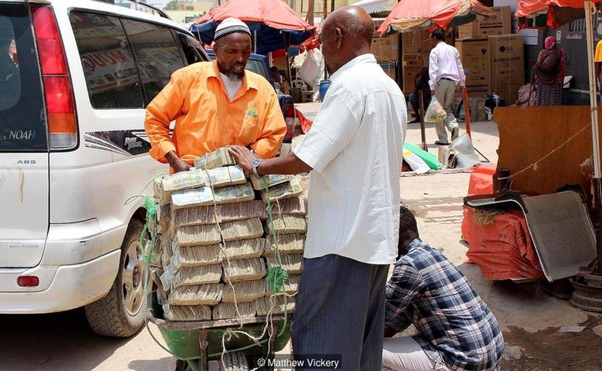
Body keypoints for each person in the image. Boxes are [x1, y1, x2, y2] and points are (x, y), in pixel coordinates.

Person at [229, 6, 408, 370]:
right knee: (360, 345)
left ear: (338, 38)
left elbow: (307, 157)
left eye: (323, 42)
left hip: (341, 243)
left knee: (322, 346)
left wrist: (258, 165)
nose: (322, 51)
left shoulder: (349, 86)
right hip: (375, 241)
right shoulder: (389, 87)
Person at [144, 18, 286, 173]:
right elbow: (155, 119)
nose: (240, 59)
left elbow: (274, 133)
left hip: (242, 182)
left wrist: (250, 158)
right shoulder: (188, 78)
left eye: (246, 52)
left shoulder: (262, 88)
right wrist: (173, 158)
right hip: (192, 178)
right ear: (216, 50)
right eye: (232, 51)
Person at [383, 206, 504, 371]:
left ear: (393, 237)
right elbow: (403, 313)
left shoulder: (409, 265)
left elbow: (380, 315)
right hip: (489, 351)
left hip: (464, 359)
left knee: (365, 352)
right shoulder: (429, 252)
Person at [428, 28, 465, 146]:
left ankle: (443, 138)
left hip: (441, 82)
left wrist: (432, 86)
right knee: (447, 108)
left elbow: (433, 70)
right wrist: (462, 83)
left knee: (437, 110)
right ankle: (453, 126)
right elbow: (460, 67)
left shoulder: (435, 51)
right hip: (453, 82)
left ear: (434, 38)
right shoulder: (453, 50)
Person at [535, 36, 567, 106]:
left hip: (543, 82)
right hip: (556, 82)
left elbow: (538, 66)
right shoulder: (561, 52)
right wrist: (561, 79)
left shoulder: (542, 53)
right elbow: (563, 68)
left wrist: (538, 75)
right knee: (555, 102)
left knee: (543, 102)